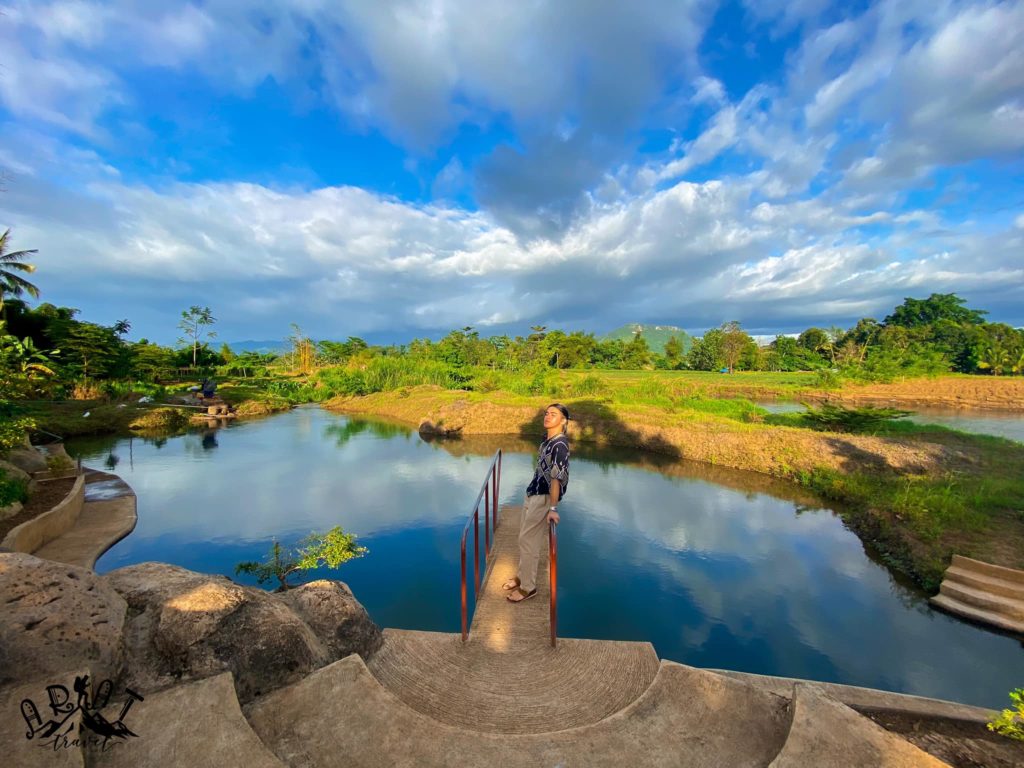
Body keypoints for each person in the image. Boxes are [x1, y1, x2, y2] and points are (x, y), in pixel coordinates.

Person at [504, 403, 570, 603]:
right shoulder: (546, 440)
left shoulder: (560, 445)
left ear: (564, 421)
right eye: (547, 413)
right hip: (532, 492)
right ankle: (522, 576)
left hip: (543, 497)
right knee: (523, 537)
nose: (548, 416)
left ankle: (528, 587)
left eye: (554, 414)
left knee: (529, 541)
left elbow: (557, 478)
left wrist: (552, 508)